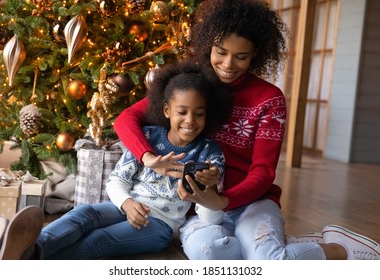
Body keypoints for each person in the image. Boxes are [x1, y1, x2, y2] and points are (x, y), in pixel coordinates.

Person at [113, 0, 380, 260]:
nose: (228, 64)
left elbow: (264, 172)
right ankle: (275, 247)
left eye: (241, 56)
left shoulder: (268, 99)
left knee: (270, 261)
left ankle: (337, 249)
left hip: (252, 202)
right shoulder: (193, 86)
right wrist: (147, 157)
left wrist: (224, 201)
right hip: (199, 209)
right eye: (221, 51)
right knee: (207, 255)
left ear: (256, 55)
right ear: (209, 46)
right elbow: (126, 119)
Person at [0, 61, 239, 260]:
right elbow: (117, 179)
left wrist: (209, 191)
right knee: (84, 213)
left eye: (199, 114)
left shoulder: (210, 153)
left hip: (161, 226)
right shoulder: (149, 136)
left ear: (209, 114)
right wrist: (128, 204)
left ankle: (28, 257)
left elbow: (209, 218)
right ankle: (26, 247)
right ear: (166, 111)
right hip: (125, 206)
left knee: (100, 240)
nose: (190, 121)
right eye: (182, 112)